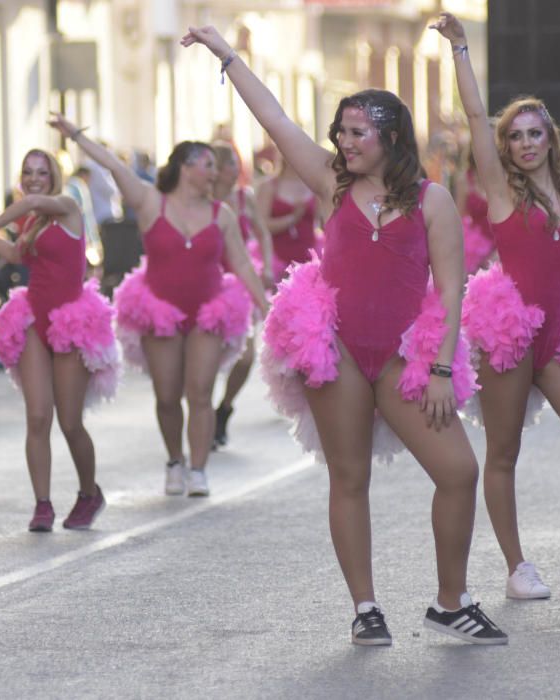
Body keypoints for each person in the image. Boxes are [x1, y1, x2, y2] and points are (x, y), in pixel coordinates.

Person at [184, 24, 507, 647]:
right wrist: (228, 56)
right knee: (348, 477)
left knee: (459, 471)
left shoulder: (432, 200)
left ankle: (451, 600)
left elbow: (450, 290)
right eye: (341, 130)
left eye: (358, 131)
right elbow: (275, 119)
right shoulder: (332, 184)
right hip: (337, 350)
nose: (344, 140)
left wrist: (441, 367)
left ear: (389, 137)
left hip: (405, 357)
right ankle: (365, 608)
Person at [434, 13, 560, 601]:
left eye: (533, 133)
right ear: (506, 146)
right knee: (503, 452)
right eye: (515, 136)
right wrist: (462, 49)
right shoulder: (501, 191)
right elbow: (475, 116)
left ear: (551, 138)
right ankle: (518, 567)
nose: (524, 144)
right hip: (510, 330)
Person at [48, 115, 269, 498]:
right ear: (185, 168)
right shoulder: (151, 201)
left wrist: (267, 306)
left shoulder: (223, 215)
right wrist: (77, 137)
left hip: (208, 311)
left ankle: (198, 469)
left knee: (199, 393)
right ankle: (174, 460)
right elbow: (115, 166)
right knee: (168, 396)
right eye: (208, 165)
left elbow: (242, 264)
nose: (215, 173)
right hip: (159, 310)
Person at [0, 148, 119, 532]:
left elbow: (30, 201)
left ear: (53, 178)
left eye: (41, 172)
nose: (33, 178)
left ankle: (88, 493)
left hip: (70, 322)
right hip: (34, 318)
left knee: (69, 422)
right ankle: (43, 505)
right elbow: (17, 254)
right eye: (27, 172)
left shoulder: (67, 205)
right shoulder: (32, 220)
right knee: (37, 415)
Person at [210, 143, 274, 448]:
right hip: (209, 283)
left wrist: (268, 265)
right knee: (207, 358)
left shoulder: (243, 196)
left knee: (245, 356)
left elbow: (262, 232)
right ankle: (203, 415)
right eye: (231, 163)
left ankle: (224, 408)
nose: (237, 167)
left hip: (240, 281)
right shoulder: (203, 201)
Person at [256, 156, 319, 281]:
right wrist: (292, 218)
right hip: (278, 259)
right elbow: (261, 226)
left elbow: (322, 222)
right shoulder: (269, 185)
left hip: (309, 259)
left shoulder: (314, 185)